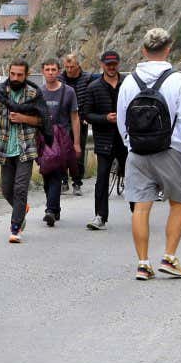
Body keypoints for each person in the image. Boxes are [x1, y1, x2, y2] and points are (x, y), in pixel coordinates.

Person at [116, 27, 181, 280]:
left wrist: (130, 144)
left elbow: (122, 120)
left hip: (138, 152)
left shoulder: (129, 81)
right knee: (177, 203)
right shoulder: (179, 81)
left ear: (143, 51)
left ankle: (143, 263)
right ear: (168, 49)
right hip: (170, 150)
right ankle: (169, 258)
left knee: (141, 208)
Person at [0, 59, 47, 243]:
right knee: (6, 190)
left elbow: (42, 121)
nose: (16, 78)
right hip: (5, 148)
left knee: (20, 188)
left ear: (26, 75)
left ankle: (15, 227)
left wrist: (23, 118)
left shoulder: (33, 94)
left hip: (26, 148)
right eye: (13, 74)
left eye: (20, 75)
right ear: (8, 74)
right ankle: (22, 208)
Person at [81, 50, 128, 230]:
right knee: (101, 178)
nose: (111, 67)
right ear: (102, 65)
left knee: (133, 178)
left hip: (126, 139)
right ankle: (100, 216)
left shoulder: (128, 84)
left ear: (118, 64)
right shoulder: (93, 87)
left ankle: (138, 213)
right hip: (104, 140)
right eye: (108, 64)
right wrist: (105, 118)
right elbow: (86, 114)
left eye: (114, 64)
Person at [39, 57, 82, 227]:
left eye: (53, 69)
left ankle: (50, 210)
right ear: (43, 71)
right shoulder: (39, 92)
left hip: (62, 139)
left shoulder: (69, 91)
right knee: (46, 174)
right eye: (47, 69)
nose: (50, 73)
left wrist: (76, 142)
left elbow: (74, 117)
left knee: (56, 173)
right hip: (44, 139)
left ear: (59, 71)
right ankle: (55, 208)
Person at [61, 53, 94, 196]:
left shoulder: (87, 79)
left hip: (80, 120)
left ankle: (77, 182)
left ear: (78, 66)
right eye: (66, 67)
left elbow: (91, 97)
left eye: (72, 67)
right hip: (62, 121)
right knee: (61, 153)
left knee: (78, 152)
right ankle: (63, 181)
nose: (69, 69)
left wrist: (87, 115)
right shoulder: (60, 79)